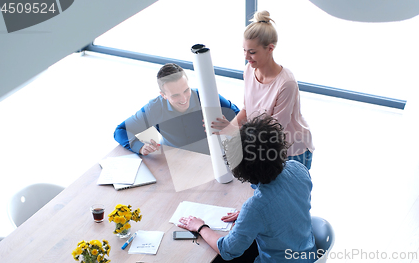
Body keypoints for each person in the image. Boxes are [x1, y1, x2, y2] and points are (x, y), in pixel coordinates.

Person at [178, 114, 318, 263]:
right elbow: (291, 205)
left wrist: (201, 227)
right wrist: (254, 218)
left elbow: (227, 250)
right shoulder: (299, 169)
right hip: (308, 255)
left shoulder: (256, 208)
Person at [211, 10, 315, 169]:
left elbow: (273, 129)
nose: (246, 57)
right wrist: (228, 130)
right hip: (263, 143)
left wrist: (234, 132)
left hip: (291, 149)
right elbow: (247, 109)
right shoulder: (249, 70)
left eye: (252, 52)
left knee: (290, 193)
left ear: (270, 48)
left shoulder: (286, 83)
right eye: (244, 50)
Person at [114, 63, 240, 155]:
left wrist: (232, 128)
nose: (184, 99)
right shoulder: (154, 108)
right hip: (175, 160)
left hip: (212, 158)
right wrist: (140, 147)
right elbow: (121, 130)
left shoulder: (207, 97)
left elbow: (242, 117)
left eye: (186, 90)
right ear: (163, 95)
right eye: (175, 95)